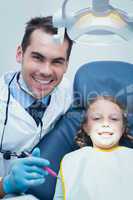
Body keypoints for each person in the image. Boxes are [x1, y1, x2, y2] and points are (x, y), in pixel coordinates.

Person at [0, 15, 73, 199]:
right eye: (38, 58)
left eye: (57, 61)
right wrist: (6, 184)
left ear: (66, 65)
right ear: (19, 53)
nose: (46, 71)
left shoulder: (69, 92)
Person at [53, 95, 133, 200]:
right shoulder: (71, 161)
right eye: (97, 118)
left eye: (114, 119)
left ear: (123, 128)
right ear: (86, 127)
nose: (106, 123)